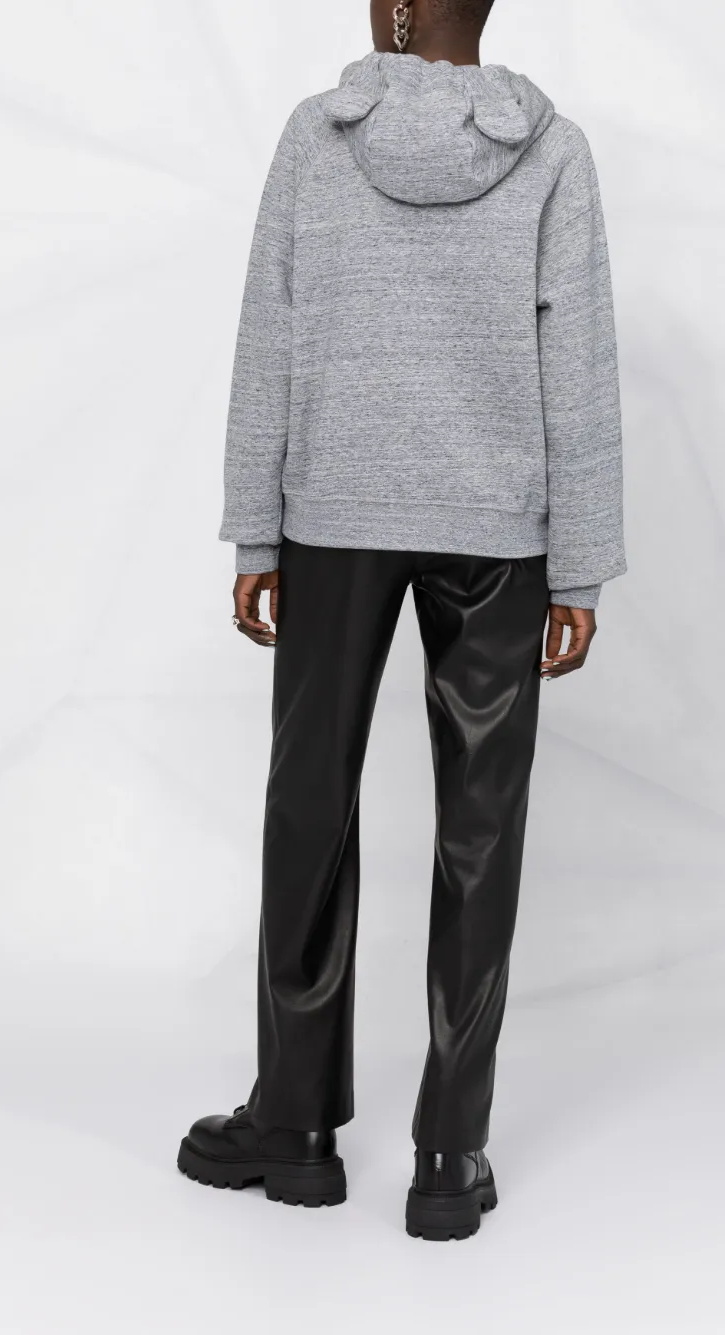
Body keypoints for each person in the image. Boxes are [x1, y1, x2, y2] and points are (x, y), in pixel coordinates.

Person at [177, 0, 625, 1241]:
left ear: (399, 12)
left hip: (335, 515)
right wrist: (579, 569)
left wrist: (255, 529)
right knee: (480, 834)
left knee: (308, 808)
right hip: (498, 533)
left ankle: (293, 1126)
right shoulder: (554, 149)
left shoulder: (316, 136)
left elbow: (268, 333)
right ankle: (448, 1154)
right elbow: (579, 363)